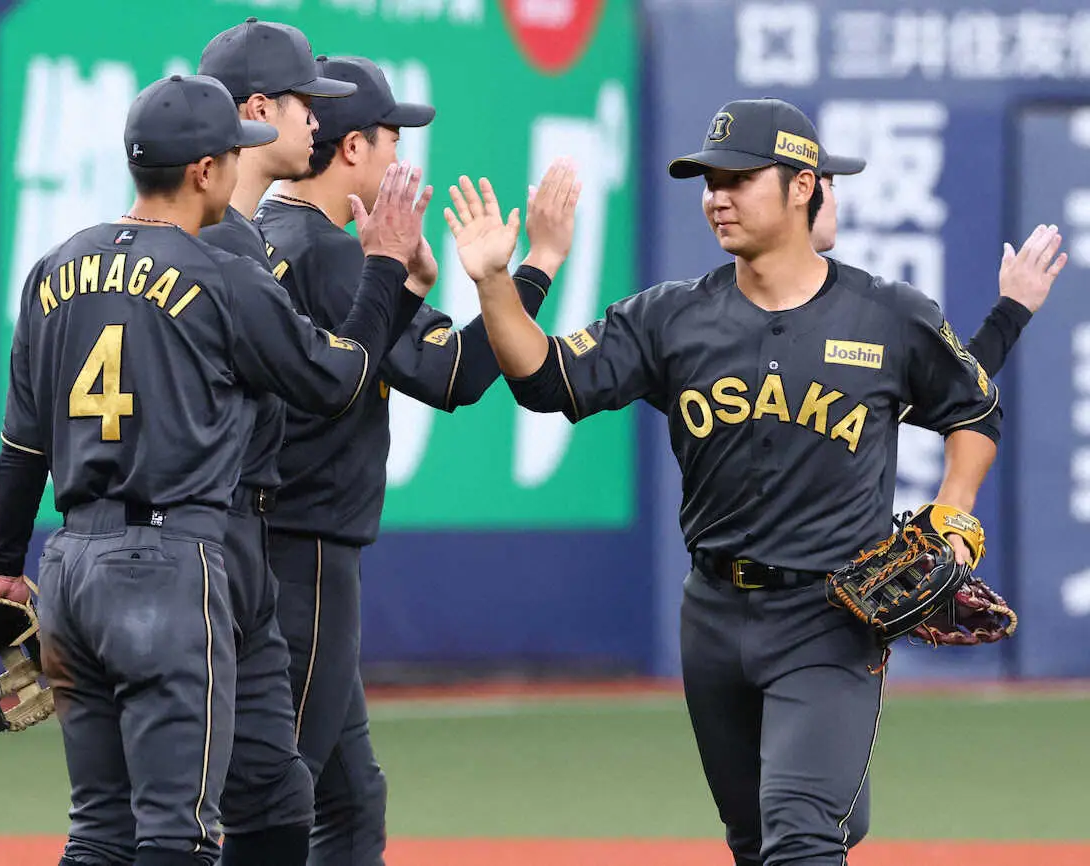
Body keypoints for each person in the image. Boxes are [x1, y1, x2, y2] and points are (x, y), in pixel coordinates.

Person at [444, 97, 1064, 866]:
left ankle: (821, 799)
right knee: (757, 842)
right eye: (708, 181)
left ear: (804, 186)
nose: (716, 196)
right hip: (711, 617)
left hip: (831, 612)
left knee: (799, 835)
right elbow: (548, 382)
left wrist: (952, 509)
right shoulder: (671, 318)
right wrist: (497, 283)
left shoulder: (887, 315)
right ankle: (829, 794)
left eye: (738, 178)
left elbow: (973, 407)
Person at [0, 72, 431, 866]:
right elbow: (339, 380)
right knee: (174, 835)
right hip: (171, 569)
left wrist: (2, 570)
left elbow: (24, 444)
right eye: (231, 155)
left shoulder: (55, 267)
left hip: (73, 567)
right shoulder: (220, 273)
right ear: (204, 172)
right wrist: (386, 267)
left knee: (196, 810)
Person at [252, 55, 576, 866]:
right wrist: (533, 265)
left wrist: (404, 279)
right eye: (395, 140)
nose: (404, 160)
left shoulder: (265, 232)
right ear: (354, 148)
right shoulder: (331, 255)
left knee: (351, 798)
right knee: (277, 797)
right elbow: (455, 374)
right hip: (305, 552)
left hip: (260, 539)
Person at [194, 19, 354, 864]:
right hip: (196, 545)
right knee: (175, 808)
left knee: (276, 790)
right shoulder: (216, 245)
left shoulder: (241, 237)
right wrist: (389, 276)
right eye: (303, 107)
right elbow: (325, 379)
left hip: (234, 541)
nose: (315, 125)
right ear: (256, 109)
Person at [813, 149, 1059, 383]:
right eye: (829, 185)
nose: (836, 202)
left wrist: (1013, 309)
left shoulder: (852, 307)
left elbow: (951, 386)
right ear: (800, 188)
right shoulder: (823, 310)